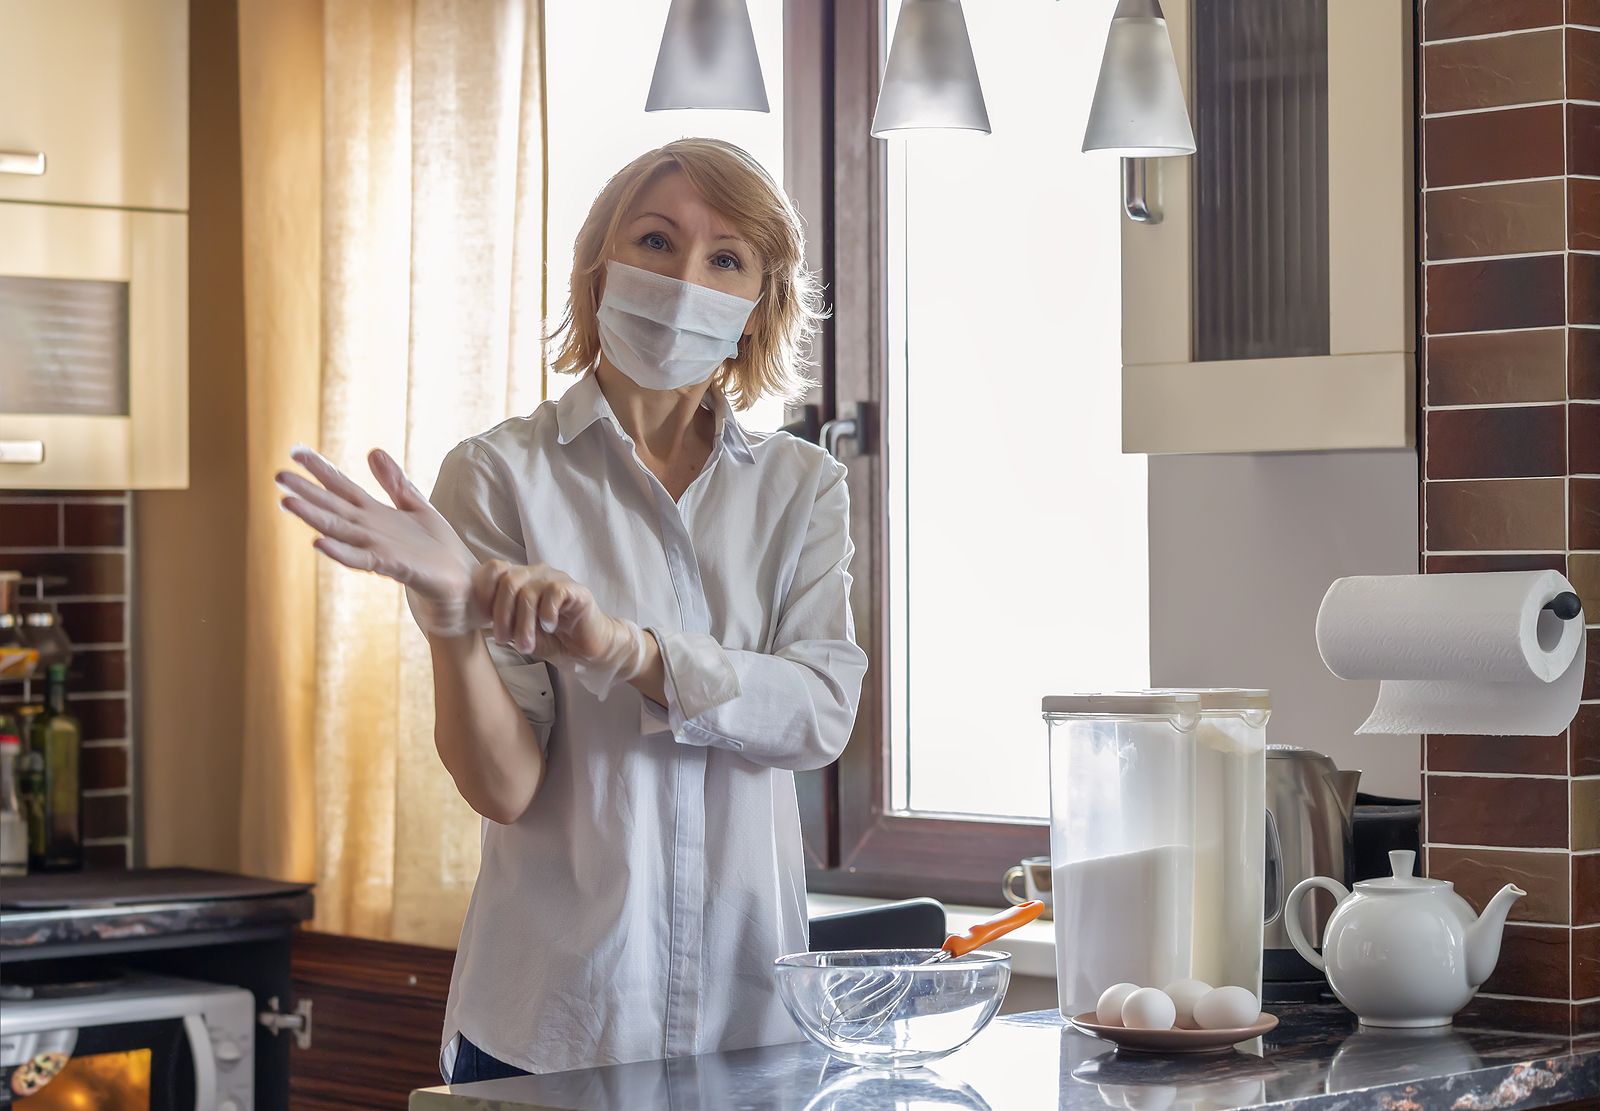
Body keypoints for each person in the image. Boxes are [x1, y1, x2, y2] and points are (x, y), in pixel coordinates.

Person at [276, 137, 868, 1082]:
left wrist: (628, 650)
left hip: (751, 1031)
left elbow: (818, 714)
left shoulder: (802, 489)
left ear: (759, 304)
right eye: (655, 240)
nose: (684, 277)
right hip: (552, 1030)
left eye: (726, 259)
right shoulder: (500, 474)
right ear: (599, 268)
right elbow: (504, 788)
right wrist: (451, 616)